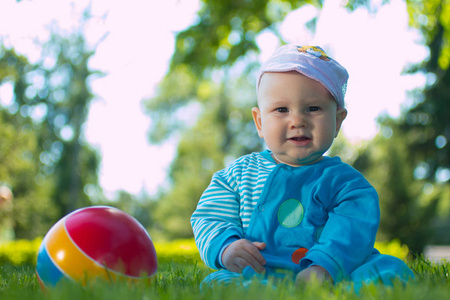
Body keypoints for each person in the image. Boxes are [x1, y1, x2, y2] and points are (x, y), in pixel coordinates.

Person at [190, 44, 414, 290]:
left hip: (332, 272)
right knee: (217, 283)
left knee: (390, 270)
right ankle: (267, 291)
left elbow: (352, 230)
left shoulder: (347, 184)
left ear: (337, 120)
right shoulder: (237, 175)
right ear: (260, 121)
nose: (298, 120)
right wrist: (226, 247)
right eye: (281, 109)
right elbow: (209, 216)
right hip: (257, 271)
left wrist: (324, 266)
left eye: (313, 108)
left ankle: (333, 284)